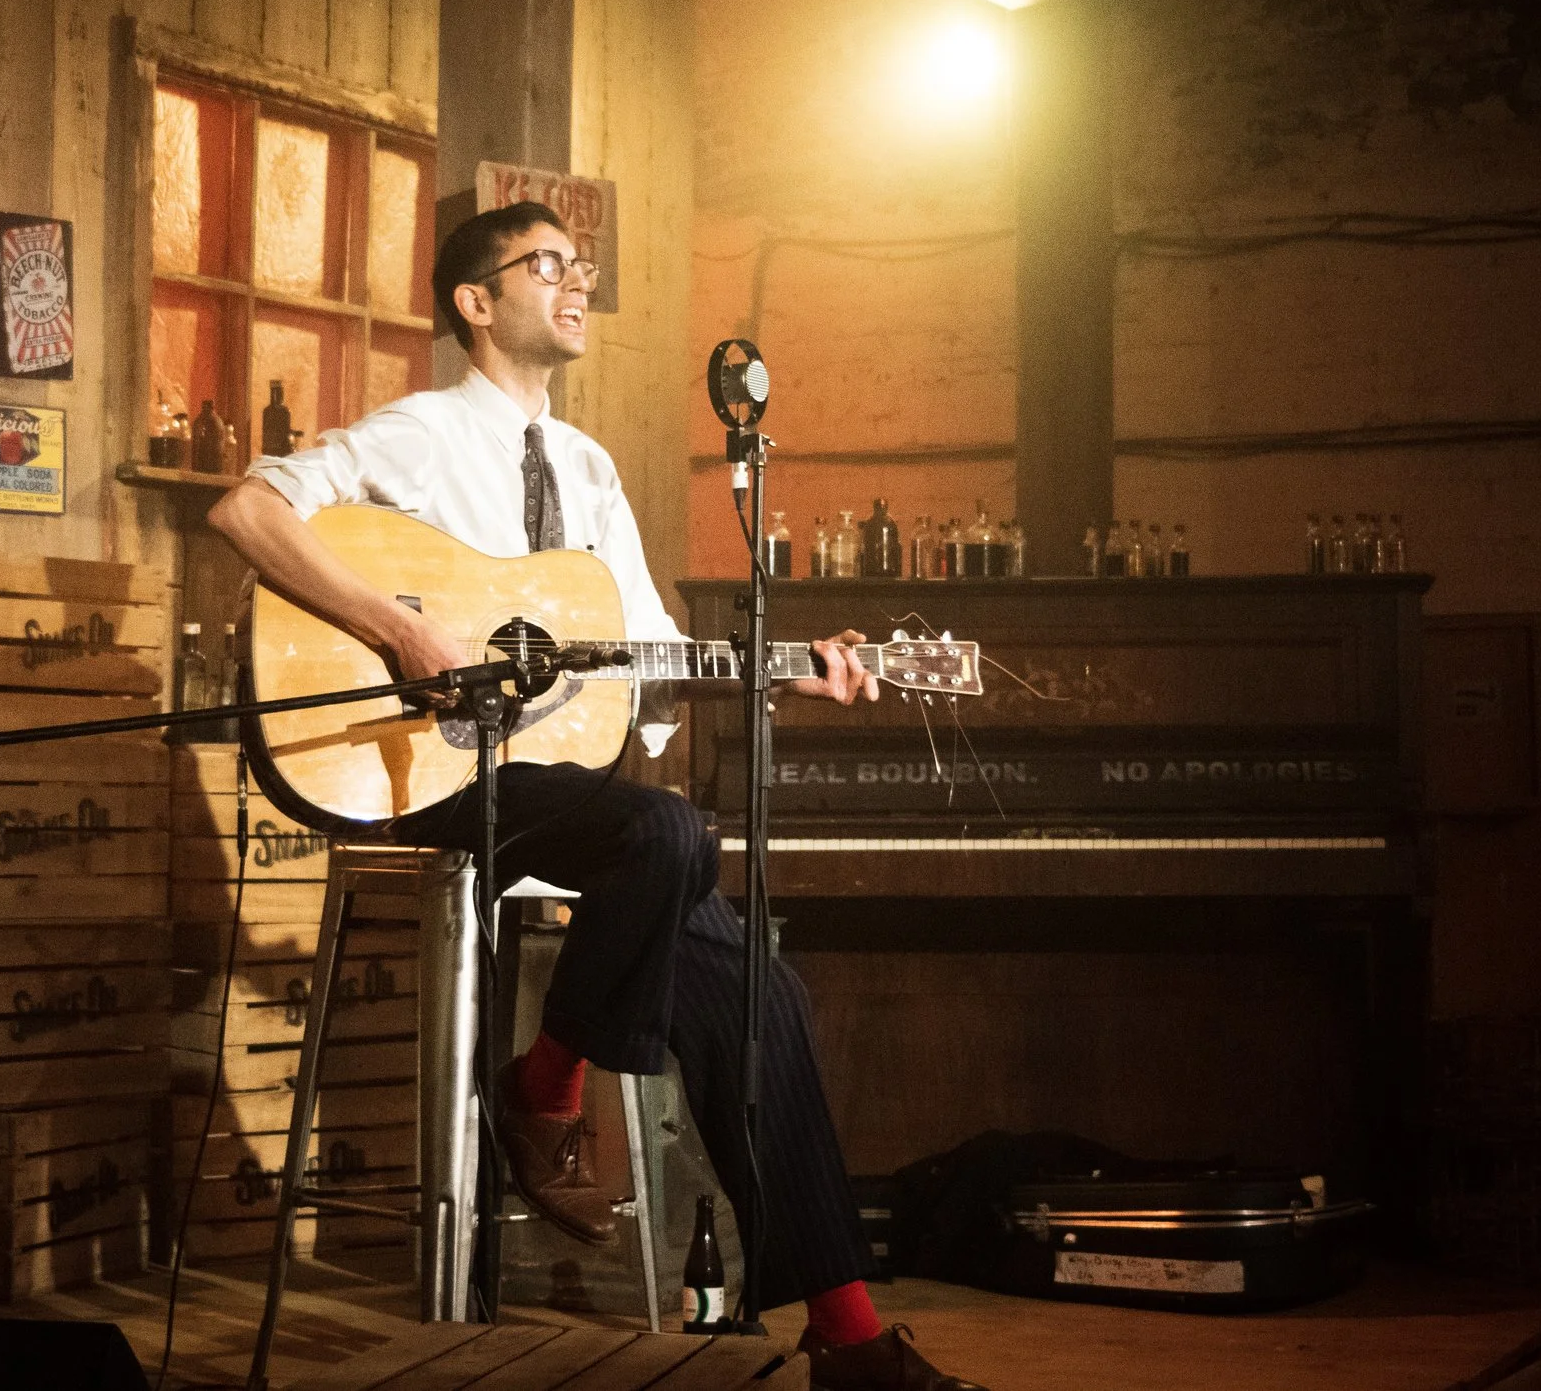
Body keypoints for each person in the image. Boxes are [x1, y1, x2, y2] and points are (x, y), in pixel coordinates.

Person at [207, 203, 987, 1391]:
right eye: (549, 265)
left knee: (762, 987)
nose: (578, 285)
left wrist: (780, 675)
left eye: (584, 267)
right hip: (415, 766)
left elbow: (652, 669)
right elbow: (245, 510)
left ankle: (851, 1335)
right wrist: (396, 624)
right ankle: (543, 1086)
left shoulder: (588, 469)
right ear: (476, 300)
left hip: (556, 785)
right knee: (669, 833)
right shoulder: (417, 434)